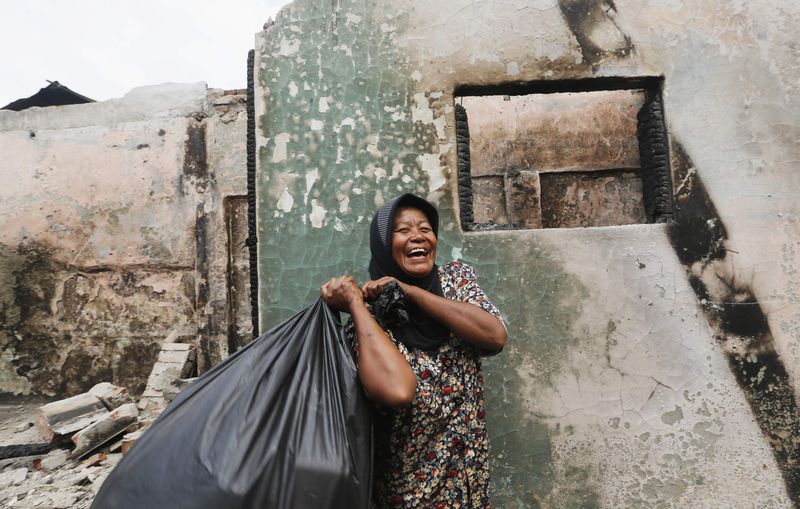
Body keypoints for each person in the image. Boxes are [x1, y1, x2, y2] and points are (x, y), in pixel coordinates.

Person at [320, 193, 507, 508]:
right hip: (407, 499)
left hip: (471, 494)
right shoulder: (368, 323)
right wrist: (355, 304)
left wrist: (409, 291)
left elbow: (494, 335)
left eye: (425, 228)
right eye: (402, 230)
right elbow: (395, 391)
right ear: (382, 243)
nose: (417, 236)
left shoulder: (457, 281)